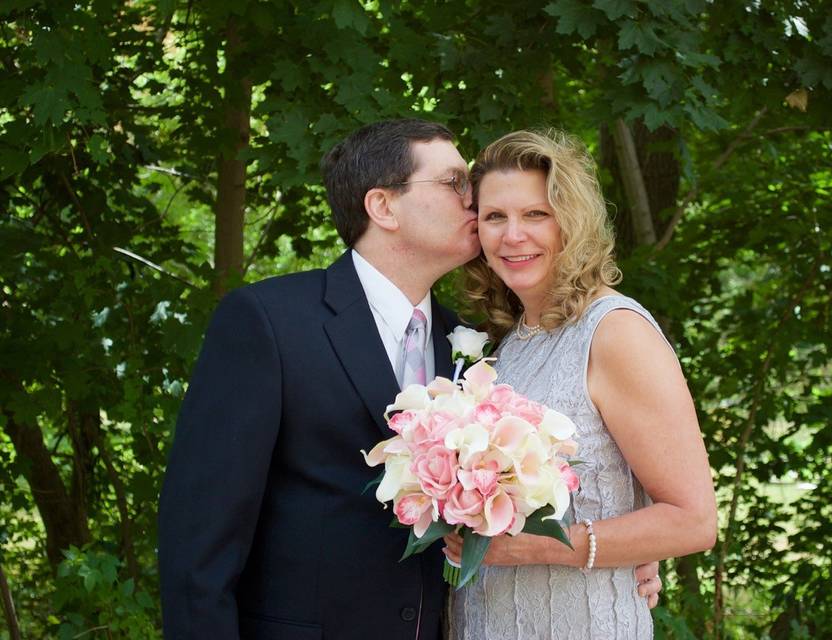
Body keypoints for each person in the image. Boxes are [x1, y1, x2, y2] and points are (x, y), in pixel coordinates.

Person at [158, 118, 662, 640]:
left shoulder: (476, 347)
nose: (474, 199)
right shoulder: (268, 321)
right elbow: (198, 547)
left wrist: (630, 549)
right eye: (453, 183)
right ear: (383, 206)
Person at [443, 130, 716, 640]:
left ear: (573, 223)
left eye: (535, 215)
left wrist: (539, 546)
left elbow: (693, 520)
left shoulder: (614, 332)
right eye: (495, 217)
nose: (512, 235)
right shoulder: (509, 344)